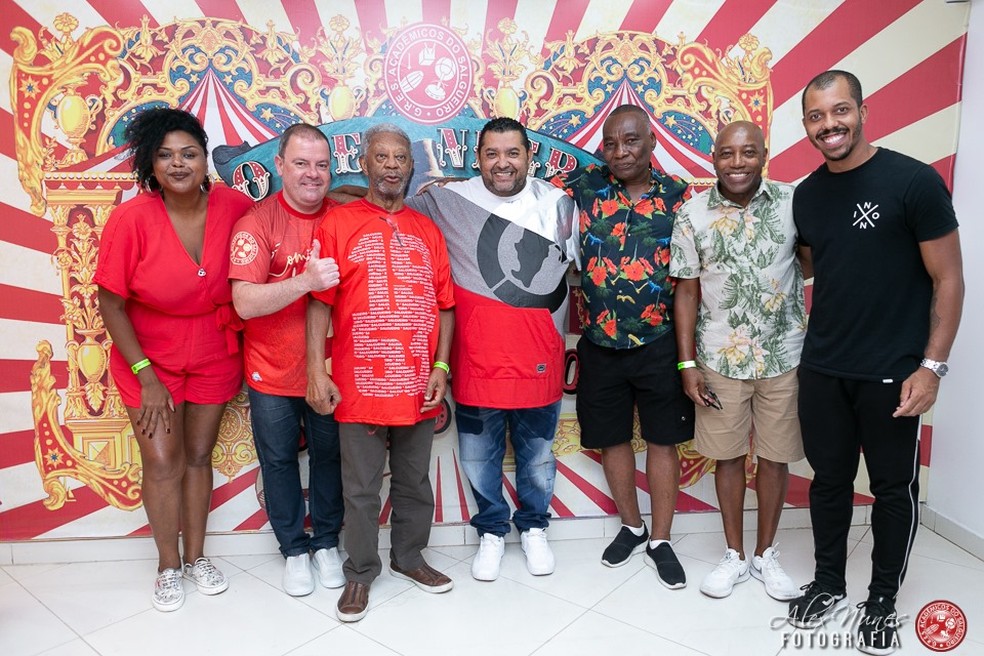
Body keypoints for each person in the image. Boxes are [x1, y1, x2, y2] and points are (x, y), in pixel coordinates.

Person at [787, 70, 963, 655]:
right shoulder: (808, 194)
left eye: (839, 112)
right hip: (824, 367)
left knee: (892, 489)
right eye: (816, 117)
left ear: (862, 111)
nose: (828, 125)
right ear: (807, 125)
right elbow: (819, 268)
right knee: (829, 482)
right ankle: (829, 583)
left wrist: (931, 367)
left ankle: (882, 600)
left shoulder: (913, 181)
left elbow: (950, 278)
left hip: (894, 371)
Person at [406, 117, 579, 581]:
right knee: (479, 457)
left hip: (539, 360)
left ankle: (534, 527)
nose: (502, 163)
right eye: (492, 154)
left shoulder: (560, 205)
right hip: (476, 361)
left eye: (512, 153)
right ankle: (491, 531)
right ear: (477, 158)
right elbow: (382, 206)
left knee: (538, 456)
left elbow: (588, 271)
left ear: (529, 156)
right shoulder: (448, 200)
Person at [95, 108, 253, 611]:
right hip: (149, 358)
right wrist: (146, 375)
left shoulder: (233, 205)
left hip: (214, 349)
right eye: (165, 155)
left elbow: (285, 220)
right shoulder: (132, 218)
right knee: (163, 461)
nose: (178, 164)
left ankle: (197, 557)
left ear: (205, 158)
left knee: (198, 456)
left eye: (189, 153)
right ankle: (167, 565)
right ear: (150, 164)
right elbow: (110, 303)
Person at [306, 124, 455, 623]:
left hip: (416, 383)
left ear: (412, 167)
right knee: (361, 487)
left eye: (401, 157)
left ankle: (410, 558)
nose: (392, 164)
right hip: (360, 381)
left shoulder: (428, 231)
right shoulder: (338, 224)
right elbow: (319, 303)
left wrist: (441, 365)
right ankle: (360, 572)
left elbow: (446, 307)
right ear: (364, 164)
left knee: (414, 481)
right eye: (381, 157)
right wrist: (315, 371)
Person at [554, 104, 694, 587]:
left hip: (658, 341)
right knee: (610, 436)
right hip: (598, 340)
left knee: (662, 439)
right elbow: (519, 197)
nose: (620, 152)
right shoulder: (584, 187)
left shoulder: (680, 196)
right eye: (611, 143)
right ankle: (631, 527)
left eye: (630, 141)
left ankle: (661, 538)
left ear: (651, 142)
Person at [670, 121, 806, 601]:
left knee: (774, 457)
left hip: (782, 356)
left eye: (749, 152)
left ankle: (767, 554)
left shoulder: (794, 204)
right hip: (718, 360)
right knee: (726, 457)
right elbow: (685, 291)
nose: (738, 162)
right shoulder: (691, 214)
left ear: (764, 154)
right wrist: (687, 365)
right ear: (714, 159)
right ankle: (734, 554)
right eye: (727, 153)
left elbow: (809, 263)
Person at [228, 124, 347, 596]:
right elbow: (244, 302)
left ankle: (326, 544)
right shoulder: (255, 224)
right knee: (277, 461)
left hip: (332, 371)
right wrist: (305, 281)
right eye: (301, 163)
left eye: (321, 164)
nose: (312, 174)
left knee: (330, 458)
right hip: (271, 372)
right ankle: (294, 550)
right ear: (280, 166)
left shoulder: (343, 218)